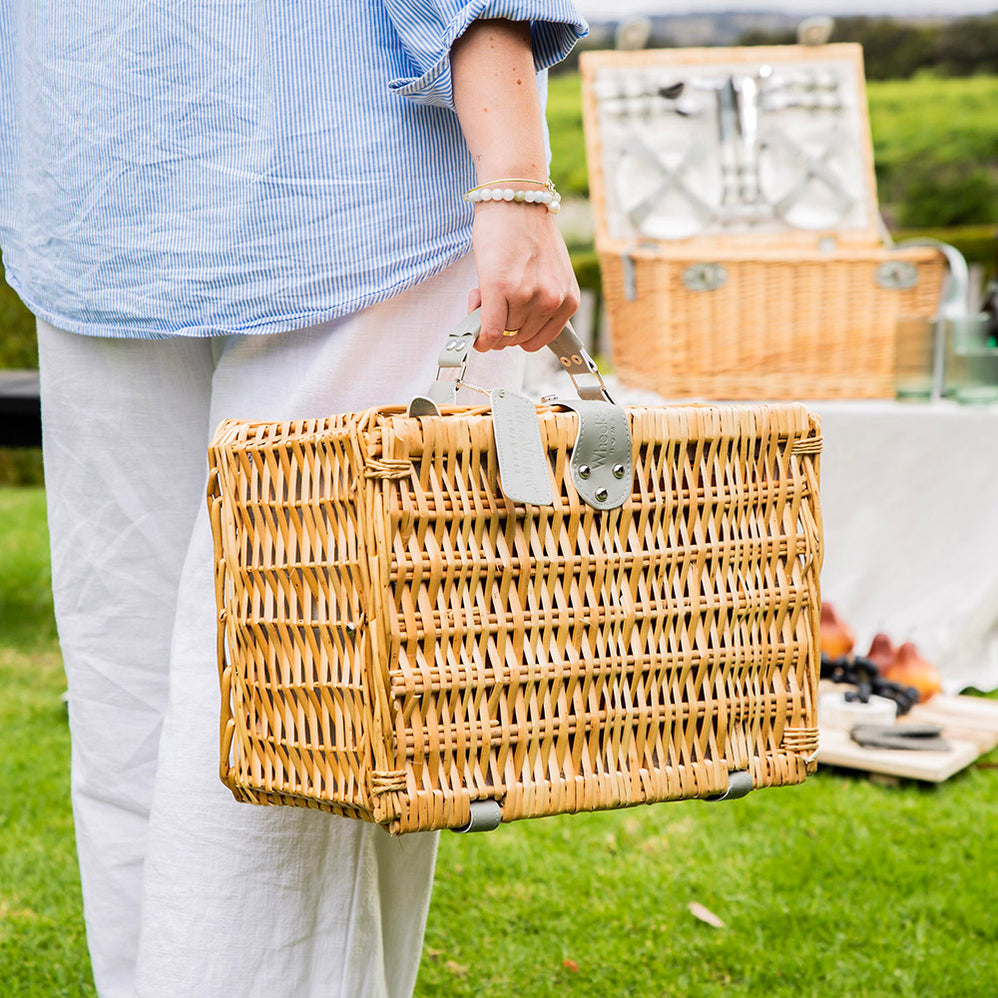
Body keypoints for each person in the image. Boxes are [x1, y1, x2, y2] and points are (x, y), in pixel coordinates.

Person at [0, 3, 587, 996]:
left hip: (91, 173)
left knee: (162, 710)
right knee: (305, 715)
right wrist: (515, 176)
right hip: (335, 177)